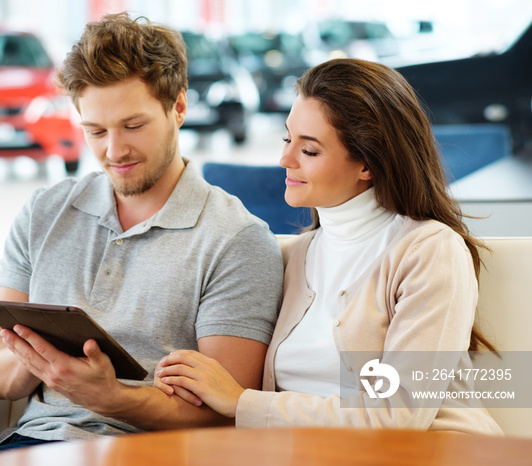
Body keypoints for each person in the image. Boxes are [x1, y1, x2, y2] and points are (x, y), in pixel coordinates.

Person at [0, 13, 283, 465]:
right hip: (26, 447)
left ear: (178, 107)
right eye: (96, 131)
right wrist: (47, 362)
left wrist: (110, 397)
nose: (114, 150)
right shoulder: (45, 212)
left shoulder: (237, 239)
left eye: (133, 125)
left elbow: (228, 414)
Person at [155, 58, 503, 435]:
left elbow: (397, 417)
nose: (284, 159)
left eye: (310, 150)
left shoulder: (430, 251)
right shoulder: (294, 257)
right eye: (288, 139)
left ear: (367, 164)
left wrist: (242, 403)